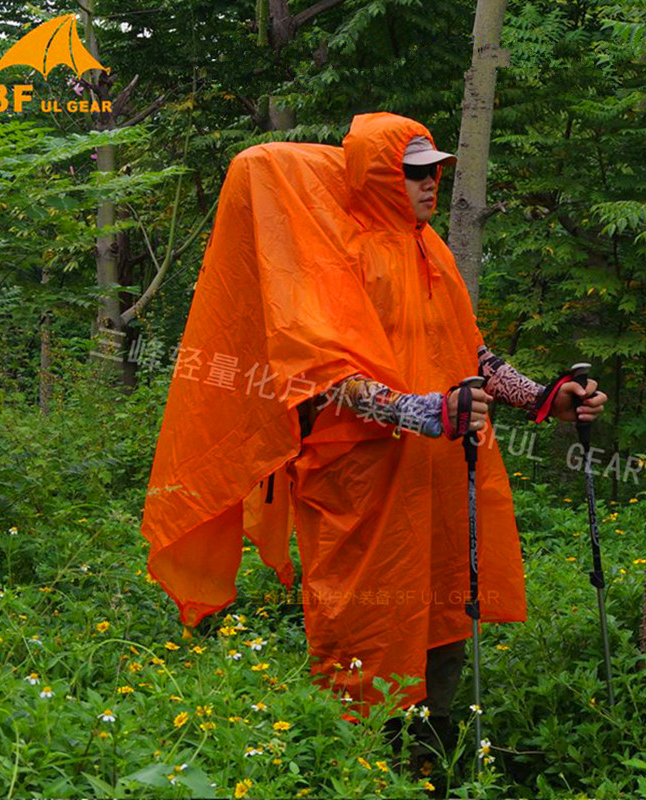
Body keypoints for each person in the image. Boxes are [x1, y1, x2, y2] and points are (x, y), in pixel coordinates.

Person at [140, 111, 606, 774]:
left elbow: (471, 352)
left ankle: (434, 760)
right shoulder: (336, 253)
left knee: (444, 612)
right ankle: (357, 765)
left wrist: (543, 397)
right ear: (381, 175)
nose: (430, 184)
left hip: (441, 472)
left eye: (435, 171)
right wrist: (418, 411)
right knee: (365, 624)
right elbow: (322, 377)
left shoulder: (431, 250)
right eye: (414, 172)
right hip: (362, 479)